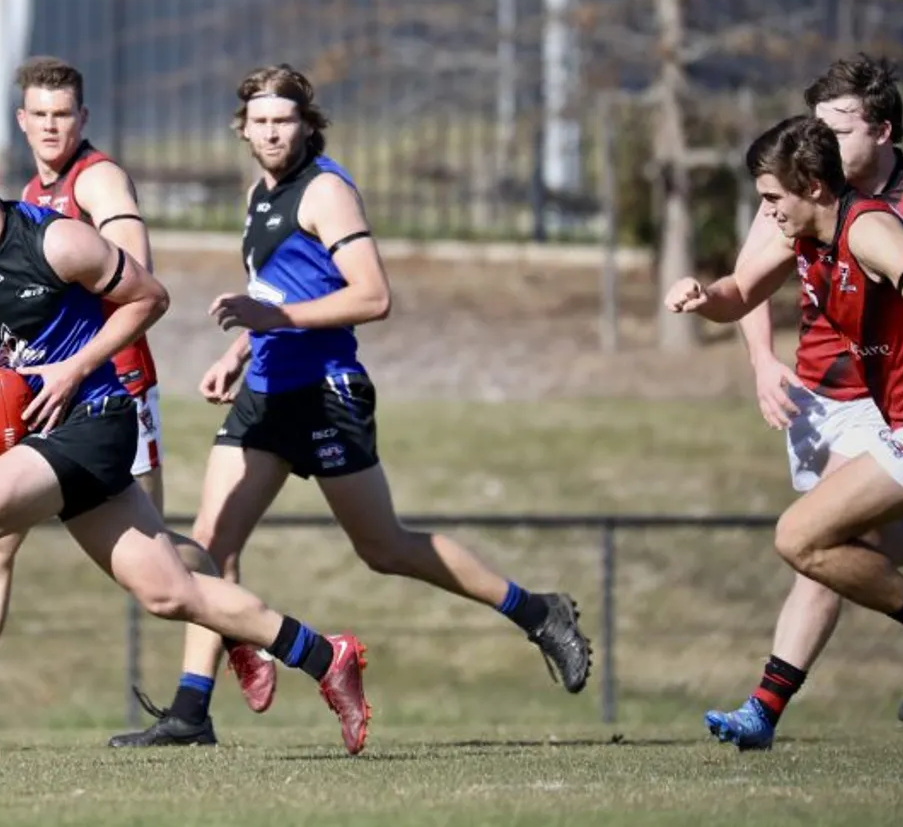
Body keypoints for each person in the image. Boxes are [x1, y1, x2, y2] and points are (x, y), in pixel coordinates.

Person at [0, 114, 371, 755]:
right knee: (169, 592)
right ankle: (328, 657)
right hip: (49, 430)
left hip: (96, 417)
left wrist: (74, 369)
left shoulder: (58, 243)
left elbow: (149, 298)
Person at [112, 65, 591, 748]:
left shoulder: (327, 192)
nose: (272, 132)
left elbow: (372, 295)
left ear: (307, 123)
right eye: (260, 121)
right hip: (266, 395)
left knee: (385, 547)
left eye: (285, 120)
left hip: (327, 394)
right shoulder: (258, 194)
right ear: (242, 127)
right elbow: (275, 288)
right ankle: (192, 712)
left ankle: (537, 610)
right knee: (212, 547)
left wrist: (274, 318)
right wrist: (241, 350)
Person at [667, 114, 903, 754]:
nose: (766, 213)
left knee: (802, 536)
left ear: (813, 187)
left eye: (771, 199)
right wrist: (704, 296)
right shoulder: (805, 236)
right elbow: (740, 291)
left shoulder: (869, 231)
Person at [0, 56, 207, 720]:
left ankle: (235, 623)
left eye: (63, 114)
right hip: (48, 396)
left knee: (161, 569)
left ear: (83, 118)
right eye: (39, 114)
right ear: (21, 120)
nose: (51, 126)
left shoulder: (98, 180)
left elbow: (137, 274)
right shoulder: (27, 193)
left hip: (113, 389)